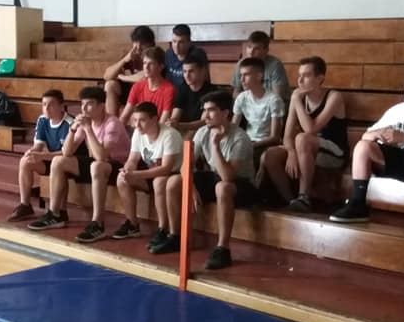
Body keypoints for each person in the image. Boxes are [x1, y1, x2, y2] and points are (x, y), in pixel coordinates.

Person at [330, 67, 404, 235]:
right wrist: (378, 134)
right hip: (402, 162)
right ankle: (358, 203)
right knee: (363, 146)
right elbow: (366, 135)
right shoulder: (398, 110)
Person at [161, 91, 257, 269]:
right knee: (174, 182)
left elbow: (228, 176)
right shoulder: (202, 132)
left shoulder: (240, 138)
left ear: (225, 113)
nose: (205, 115)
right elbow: (184, 166)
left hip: (242, 184)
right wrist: (191, 187)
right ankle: (175, 237)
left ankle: (223, 248)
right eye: (204, 110)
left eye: (211, 110)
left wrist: (215, 146)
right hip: (215, 177)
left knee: (223, 187)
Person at [28, 86, 130, 243]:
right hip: (97, 164)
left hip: (119, 167)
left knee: (97, 165)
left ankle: (98, 223)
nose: (84, 108)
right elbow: (67, 152)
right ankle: (55, 214)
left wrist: (88, 129)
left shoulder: (112, 123)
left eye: (89, 104)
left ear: (101, 106)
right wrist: (73, 130)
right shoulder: (84, 122)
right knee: (58, 161)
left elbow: (102, 156)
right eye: (82, 104)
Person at [260, 57, 348, 212]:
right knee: (270, 155)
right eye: (299, 75)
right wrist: (291, 152)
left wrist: (296, 100)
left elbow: (310, 129)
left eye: (306, 76)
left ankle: (304, 197)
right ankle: (291, 201)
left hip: (335, 152)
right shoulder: (298, 97)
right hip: (306, 147)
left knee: (302, 138)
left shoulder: (334, 97)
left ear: (320, 78)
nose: (300, 80)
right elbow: (287, 136)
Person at [114, 102, 183, 249]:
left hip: (173, 175)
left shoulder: (170, 135)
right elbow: (133, 159)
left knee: (159, 181)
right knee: (122, 180)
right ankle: (132, 224)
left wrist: (136, 174)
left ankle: (162, 228)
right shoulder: (138, 133)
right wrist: (127, 170)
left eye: (142, 120)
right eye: (135, 120)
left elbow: (166, 168)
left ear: (155, 119)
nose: (137, 125)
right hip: (152, 174)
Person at [7, 89, 74, 222]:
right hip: (51, 158)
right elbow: (38, 145)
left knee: (59, 163)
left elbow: (66, 153)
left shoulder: (70, 123)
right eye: (44, 104)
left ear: (62, 106)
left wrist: (42, 156)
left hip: (70, 162)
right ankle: (25, 205)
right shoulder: (42, 120)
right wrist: (32, 152)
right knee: (25, 161)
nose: (46, 108)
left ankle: (60, 212)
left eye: (51, 104)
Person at [232, 57, 285, 165]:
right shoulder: (242, 98)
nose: (242, 80)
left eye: (246, 75)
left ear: (259, 76)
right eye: (241, 75)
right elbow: (233, 127)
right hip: (247, 141)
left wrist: (252, 145)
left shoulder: (274, 100)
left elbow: (275, 137)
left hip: (266, 144)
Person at [102, 25, 153, 116]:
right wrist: (124, 60)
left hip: (148, 92)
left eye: (142, 43)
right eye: (136, 42)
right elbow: (106, 76)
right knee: (110, 84)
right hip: (130, 92)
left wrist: (122, 77)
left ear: (151, 44)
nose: (138, 47)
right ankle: (112, 122)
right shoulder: (130, 56)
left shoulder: (154, 55)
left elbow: (144, 77)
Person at [119, 46, 176, 126]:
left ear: (161, 67)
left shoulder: (169, 89)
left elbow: (162, 123)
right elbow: (124, 116)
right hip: (140, 128)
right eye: (145, 63)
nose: (146, 67)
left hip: (158, 130)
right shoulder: (137, 86)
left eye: (151, 63)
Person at [165, 51, 218, 136]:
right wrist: (172, 123)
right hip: (183, 130)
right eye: (184, 71)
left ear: (202, 71)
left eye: (191, 71)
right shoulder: (182, 88)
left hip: (203, 132)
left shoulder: (211, 91)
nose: (187, 75)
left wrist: (179, 126)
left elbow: (203, 122)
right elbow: (175, 116)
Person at [229, 30, 288, 100]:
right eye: (249, 47)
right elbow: (236, 93)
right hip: (249, 103)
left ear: (266, 50)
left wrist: (257, 104)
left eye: (256, 48)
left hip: (272, 104)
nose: (251, 52)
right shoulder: (241, 64)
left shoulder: (275, 65)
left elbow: (277, 96)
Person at [163, 24, 209, 89]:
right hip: (172, 92)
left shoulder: (197, 55)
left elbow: (204, 81)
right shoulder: (168, 54)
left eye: (181, 42)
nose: (176, 46)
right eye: (174, 41)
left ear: (189, 43)